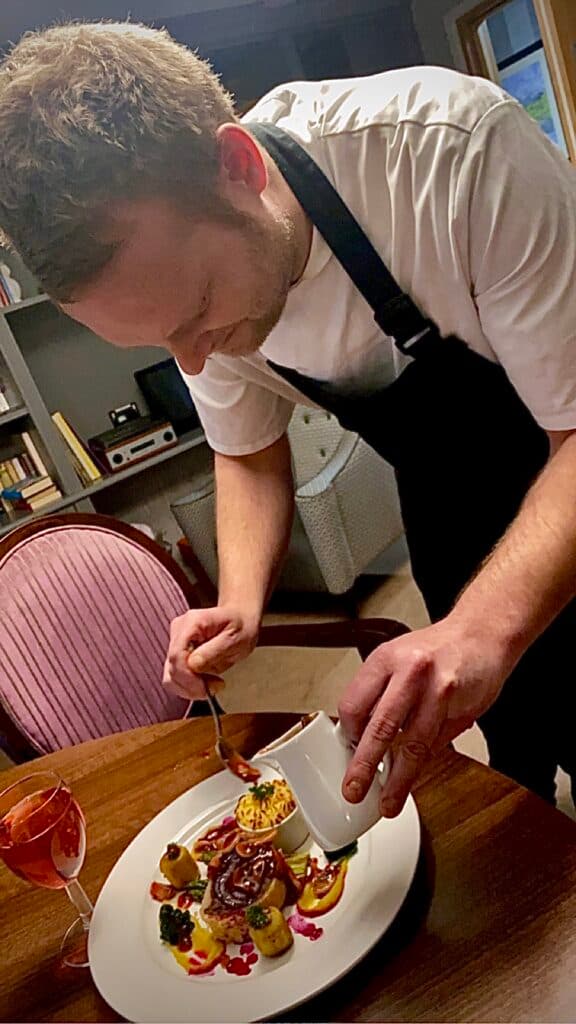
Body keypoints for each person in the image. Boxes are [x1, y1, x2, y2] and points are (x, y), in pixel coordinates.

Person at [0, 21, 574, 818]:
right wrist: (240, 600)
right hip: (446, 507)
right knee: (516, 753)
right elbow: (246, 453)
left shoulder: (452, 153)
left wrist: (483, 629)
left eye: (198, 312)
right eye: (161, 342)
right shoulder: (197, 281)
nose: (195, 362)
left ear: (238, 165)